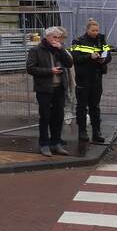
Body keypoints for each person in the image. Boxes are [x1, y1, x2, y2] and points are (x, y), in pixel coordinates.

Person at [26, 26, 74, 157]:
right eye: (54, 37)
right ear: (47, 37)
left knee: (58, 117)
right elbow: (30, 68)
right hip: (44, 89)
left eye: (59, 38)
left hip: (59, 88)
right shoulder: (36, 50)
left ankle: (56, 142)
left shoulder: (59, 50)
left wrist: (61, 49)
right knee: (45, 117)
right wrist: (49, 71)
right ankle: (44, 144)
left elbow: (69, 63)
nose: (57, 40)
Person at [70, 19, 113, 143]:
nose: (95, 32)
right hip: (83, 78)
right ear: (87, 30)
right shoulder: (78, 41)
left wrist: (103, 60)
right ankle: (82, 131)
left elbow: (108, 55)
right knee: (82, 106)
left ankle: (96, 132)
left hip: (96, 77)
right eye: (93, 30)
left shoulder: (101, 40)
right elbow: (74, 57)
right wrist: (90, 56)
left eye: (97, 30)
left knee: (95, 106)